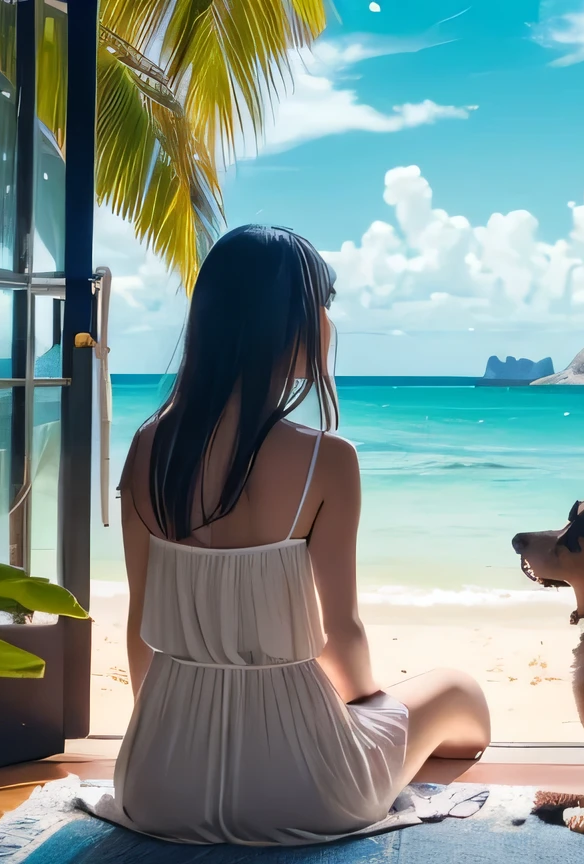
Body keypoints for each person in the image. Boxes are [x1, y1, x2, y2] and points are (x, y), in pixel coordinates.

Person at [104, 225, 491, 845]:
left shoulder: (146, 449)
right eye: (325, 306)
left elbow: (140, 627)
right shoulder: (326, 460)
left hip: (156, 788)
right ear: (290, 324)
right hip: (310, 791)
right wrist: (364, 710)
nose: (330, 324)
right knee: (460, 692)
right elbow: (343, 637)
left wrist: (161, 743)